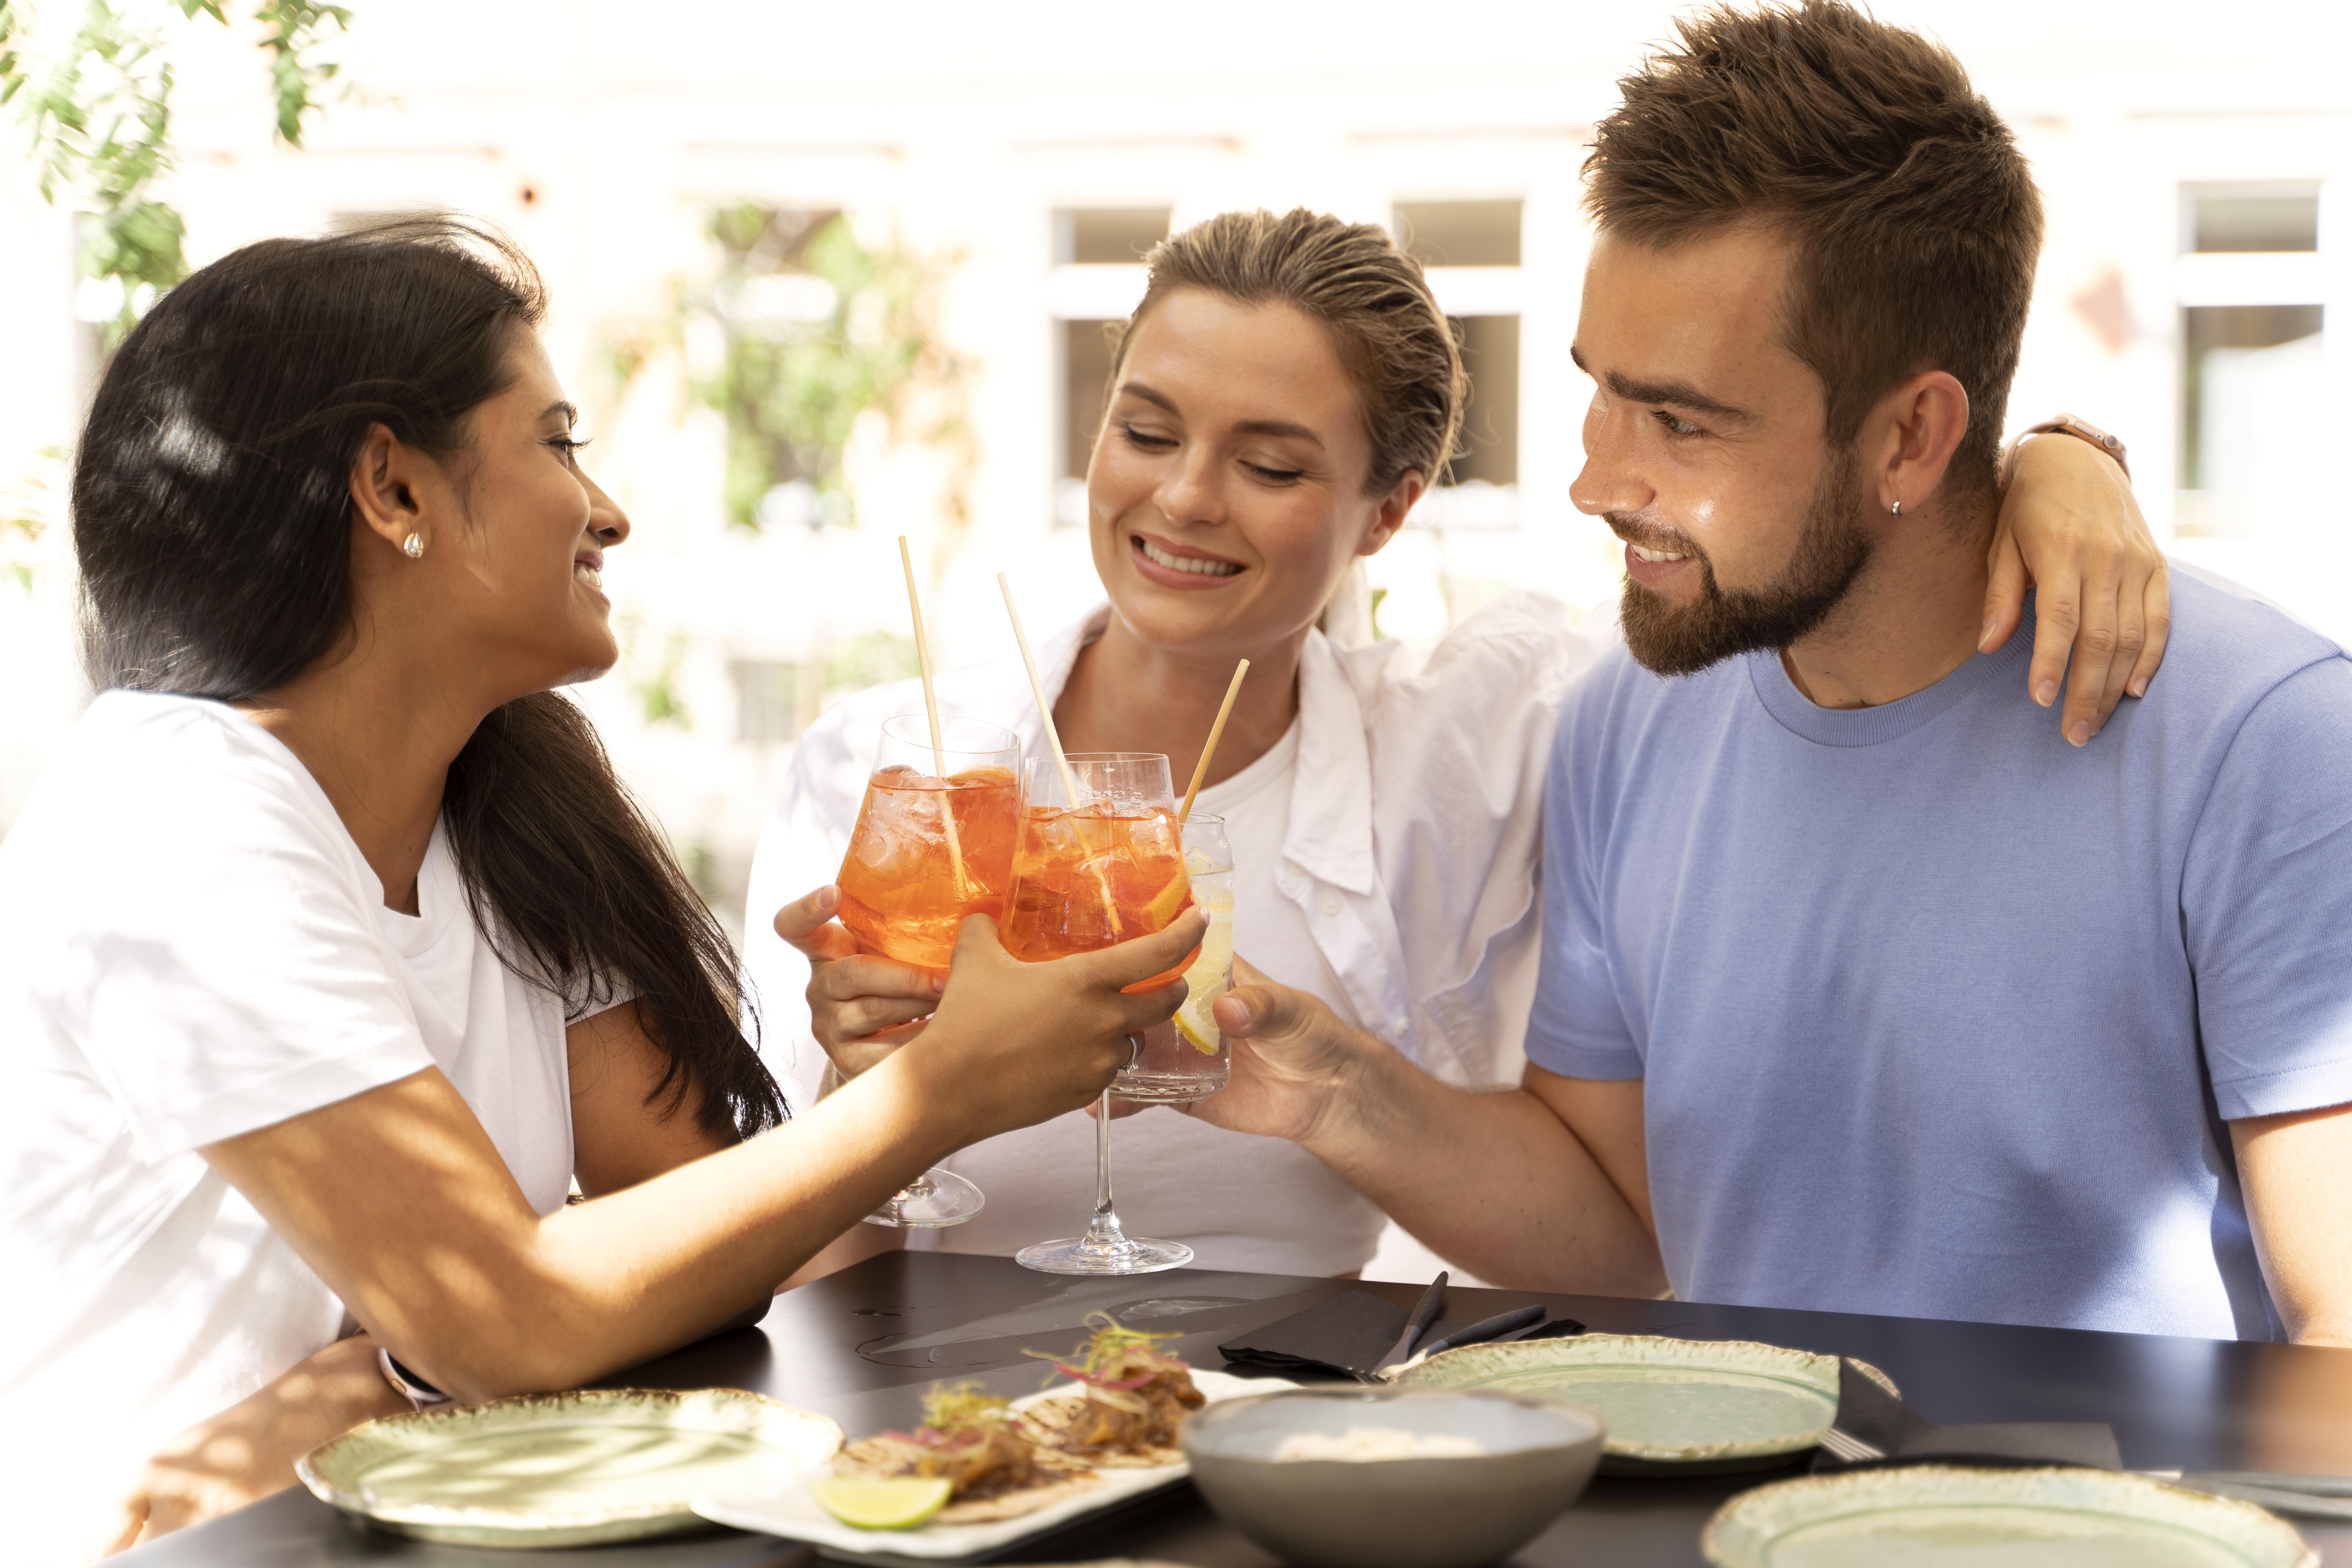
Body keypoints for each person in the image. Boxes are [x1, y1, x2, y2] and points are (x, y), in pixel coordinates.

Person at [0, 221, 1202, 1564]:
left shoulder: (505, 803)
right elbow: (507, 1319)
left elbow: (703, 1250)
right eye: (558, 443)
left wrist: (400, 1370)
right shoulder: (175, 806)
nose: (609, 511)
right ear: (391, 489)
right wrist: (944, 1091)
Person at [1179, 0, 2352, 1344]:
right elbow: (1623, 1231)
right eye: (1602, 390)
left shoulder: (2268, 745)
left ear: (1910, 439)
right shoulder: (1627, 716)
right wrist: (1334, 1088)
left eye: (1680, 422)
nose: (1594, 481)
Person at [748, 204, 2168, 1279]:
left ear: (1387, 512)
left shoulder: (1474, 736)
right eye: (1147, 432)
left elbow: (1774, 592)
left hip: (1281, 1443)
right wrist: (871, 1101)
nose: (1182, 499)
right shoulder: (889, 776)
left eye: (1270, 462)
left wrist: (2053, 461)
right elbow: (768, 1262)